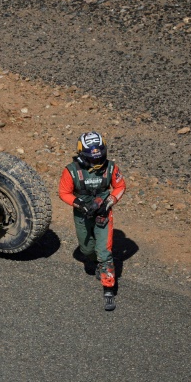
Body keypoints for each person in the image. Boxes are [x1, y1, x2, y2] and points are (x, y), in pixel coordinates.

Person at [58, 132, 126, 311]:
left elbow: (120, 186)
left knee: (104, 252)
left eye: (101, 157)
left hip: (104, 213)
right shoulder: (71, 170)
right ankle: (95, 262)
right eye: (93, 159)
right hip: (82, 214)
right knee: (87, 249)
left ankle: (109, 289)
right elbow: (63, 192)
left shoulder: (111, 168)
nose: (98, 162)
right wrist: (79, 204)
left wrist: (109, 202)